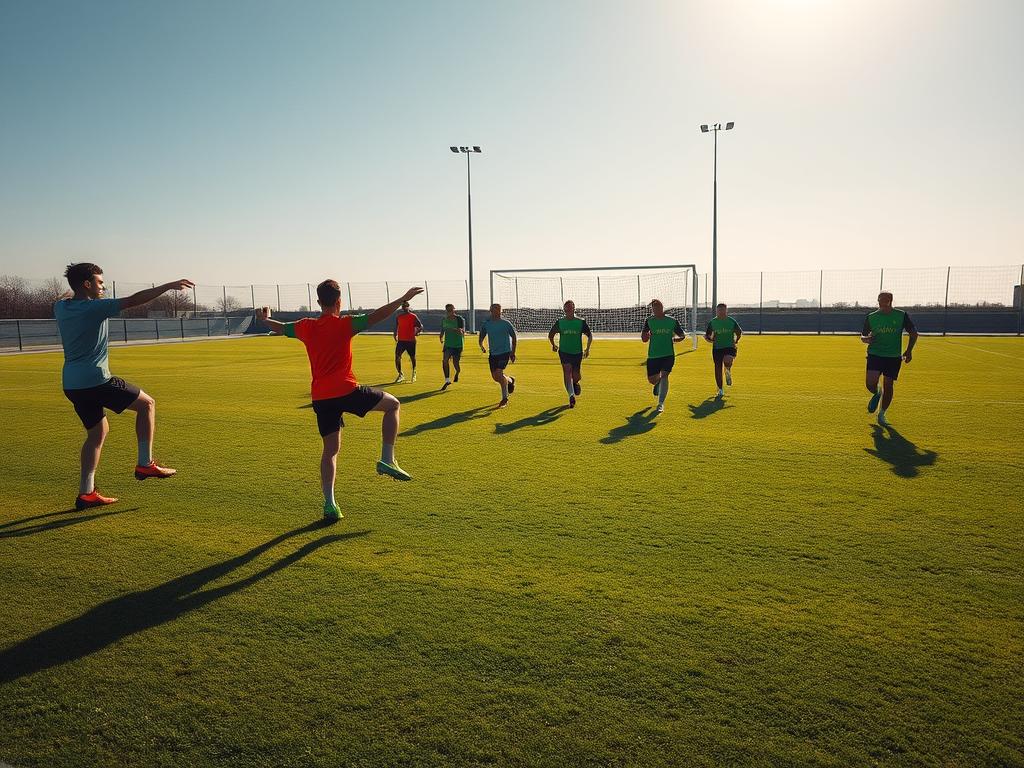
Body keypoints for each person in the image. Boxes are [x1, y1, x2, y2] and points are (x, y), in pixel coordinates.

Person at [258, 281, 423, 522]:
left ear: (318, 302)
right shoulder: (346, 324)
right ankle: (387, 459)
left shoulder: (306, 327)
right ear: (339, 302)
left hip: (321, 398)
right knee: (393, 405)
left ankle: (330, 504)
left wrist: (265, 319)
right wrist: (401, 299)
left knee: (330, 451)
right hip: (346, 390)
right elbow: (377, 316)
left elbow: (281, 328)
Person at [54, 263, 194, 511]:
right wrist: (168, 286)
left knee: (97, 434)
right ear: (86, 284)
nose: (103, 286)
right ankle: (145, 463)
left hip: (72, 384)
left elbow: (67, 296)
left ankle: (86, 493)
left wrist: (75, 290)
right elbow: (134, 300)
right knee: (147, 404)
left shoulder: (61, 307)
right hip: (96, 379)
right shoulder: (94, 308)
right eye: (99, 282)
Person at [861, 291, 918, 426]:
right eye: (880, 301)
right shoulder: (871, 317)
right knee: (870, 384)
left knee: (889, 384)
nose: (882, 303)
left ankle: (881, 414)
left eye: (885, 300)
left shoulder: (901, 316)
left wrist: (909, 351)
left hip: (893, 357)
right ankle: (877, 392)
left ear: (890, 301)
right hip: (875, 354)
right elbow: (862, 336)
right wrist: (866, 339)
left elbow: (914, 333)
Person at [641, 299, 687, 414]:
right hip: (653, 355)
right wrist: (646, 336)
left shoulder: (672, 321)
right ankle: (657, 383)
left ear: (662, 308)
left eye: (657, 308)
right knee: (652, 380)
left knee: (665, 375)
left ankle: (660, 403)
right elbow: (644, 339)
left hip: (668, 354)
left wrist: (674, 340)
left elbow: (682, 335)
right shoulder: (649, 321)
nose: (655, 310)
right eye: (653, 308)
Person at [548, 300, 593, 408]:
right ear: (564, 310)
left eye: (571, 308)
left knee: (576, 376)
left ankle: (575, 383)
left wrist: (587, 349)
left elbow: (589, 335)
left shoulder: (580, 322)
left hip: (577, 353)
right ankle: (571, 396)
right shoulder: (560, 322)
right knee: (567, 371)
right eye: (566, 308)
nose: (569, 310)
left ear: (574, 309)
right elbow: (551, 335)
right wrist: (553, 345)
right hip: (564, 352)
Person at [478, 303, 518, 408]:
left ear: (501, 311)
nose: (496, 311)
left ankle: (505, 398)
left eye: (498, 309)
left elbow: (513, 338)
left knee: (499, 374)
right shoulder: (487, 324)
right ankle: (510, 380)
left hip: (505, 352)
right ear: (490, 311)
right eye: (493, 309)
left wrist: (513, 352)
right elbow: (482, 335)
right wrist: (481, 344)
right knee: (496, 377)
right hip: (493, 354)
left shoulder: (506, 323)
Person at [704, 303, 743, 396]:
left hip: (729, 346)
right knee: (717, 368)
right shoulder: (713, 322)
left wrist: (736, 340)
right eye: (719, 311)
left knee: (727, 360)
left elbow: (739, 332)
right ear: (716, 311)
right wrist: (708, 339)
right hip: (717, 348)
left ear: (726, 311)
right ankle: (720, 389)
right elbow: (708, 335)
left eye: (723, 310)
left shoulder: (731, 321)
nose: (721, 312)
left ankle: (727, 370)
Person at [393, 300, 422, 382]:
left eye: (406, 306)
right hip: (401, 341)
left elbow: (420, 326)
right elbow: (396, 326)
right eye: (403, 306)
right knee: (397, 357)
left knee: (412, 357)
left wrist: (417, 332)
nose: (404, 307)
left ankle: (414, 373)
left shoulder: (413, 316)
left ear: (408, 306)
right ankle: (400, 374)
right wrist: (395, 333)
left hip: (411, 340)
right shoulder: (399, 317)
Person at [439, 303, 466, 389]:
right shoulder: (444, 319)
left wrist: (458, 330)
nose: (450, 311)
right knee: (445, 360)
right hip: (448, 344)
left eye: (451, 309)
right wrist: (441, 337)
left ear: (454, 309)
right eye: (448, 310)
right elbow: (443, 329)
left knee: (455, 363)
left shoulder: (459, 319)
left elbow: (462, 331)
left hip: (458, 344)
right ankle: (447, 380)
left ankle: (457, 372)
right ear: (446, 311)